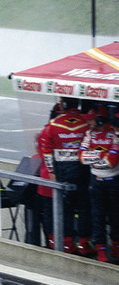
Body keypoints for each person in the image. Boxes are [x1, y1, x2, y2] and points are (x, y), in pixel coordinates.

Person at [38, 96, 92, 255]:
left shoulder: (52, 126)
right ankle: (84, 243)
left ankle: (67, 244)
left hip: (62, 172)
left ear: (63, 106)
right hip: (83, 171)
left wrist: (52, 172)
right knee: (84, 208)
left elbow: (47, 153)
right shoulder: (87, 124)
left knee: (65, 208)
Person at [79, 104, 119, 262]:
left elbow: (112, 161)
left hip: (114, 181)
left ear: (100, 119)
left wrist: (93, 156)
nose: (88, 122)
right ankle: (101, 250)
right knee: (97, 216)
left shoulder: (114, 134)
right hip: (96, 182)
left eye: (91, 119)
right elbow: (81, 157)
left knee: (115, 216)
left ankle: (116, 247)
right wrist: (101, 155)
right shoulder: (89, 134)